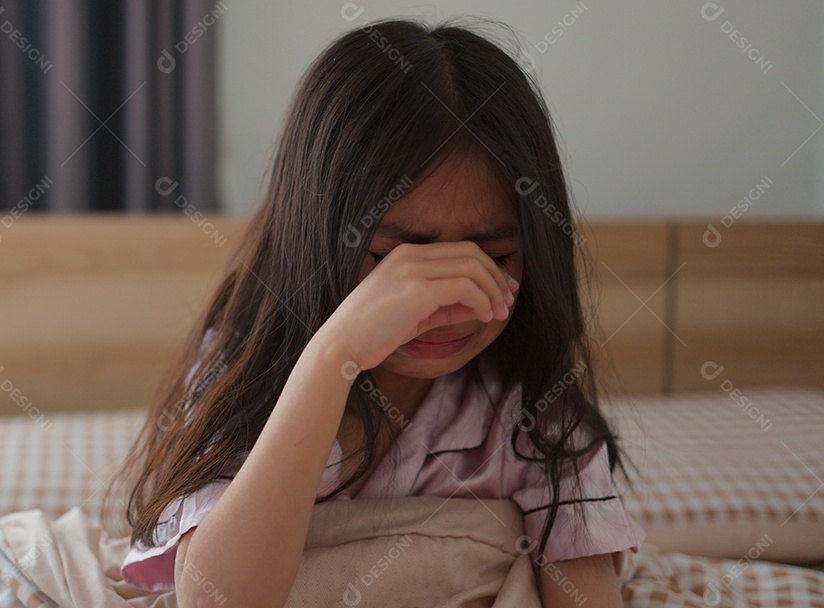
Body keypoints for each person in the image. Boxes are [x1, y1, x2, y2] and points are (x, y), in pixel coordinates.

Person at [116, 15, 645, 608]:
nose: (445, 300)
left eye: (494, 256)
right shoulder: (241, 373)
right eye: (397, 259)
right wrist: (332, 357)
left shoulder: (537, 412)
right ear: (315, 235)